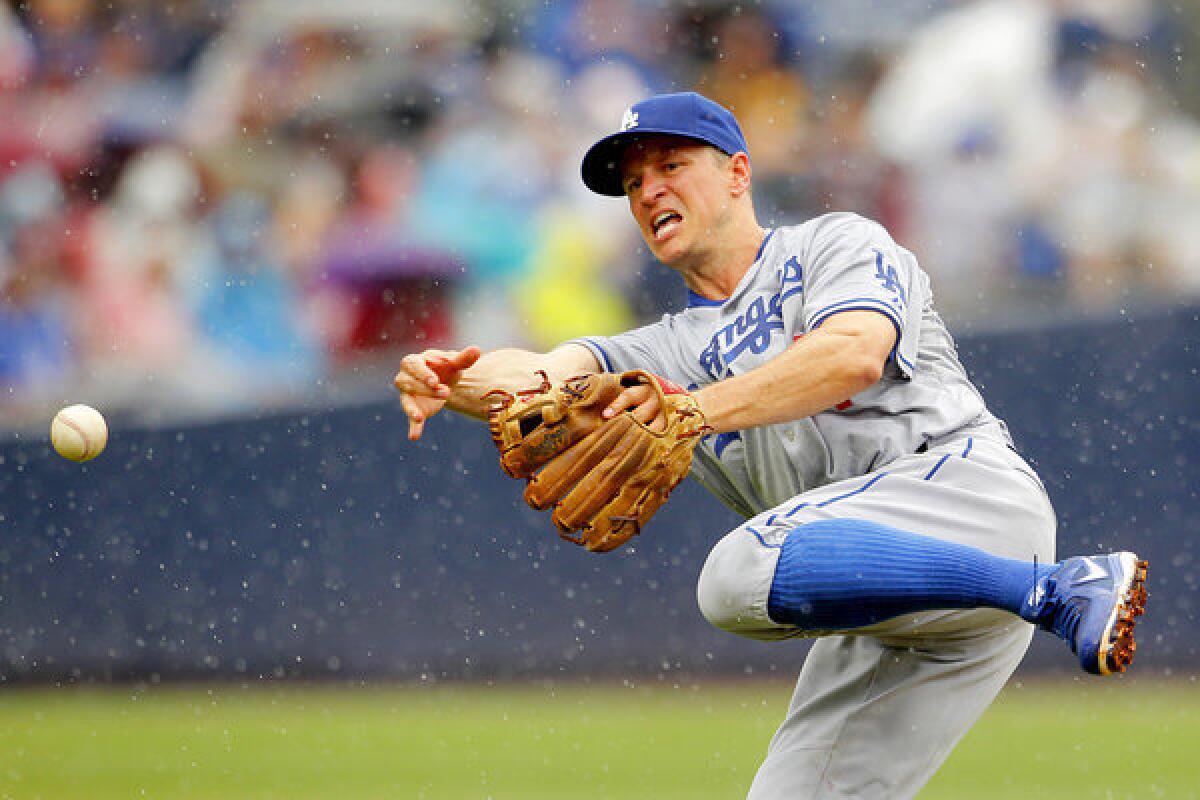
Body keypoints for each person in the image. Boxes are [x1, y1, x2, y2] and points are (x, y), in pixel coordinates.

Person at [393, 92, 1148, 799]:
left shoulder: (833, 243)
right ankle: (1048, 592)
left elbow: (852, 352)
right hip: (891, 609)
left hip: (968, 497)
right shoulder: (663, 349)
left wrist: (692, 412)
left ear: (737, 174)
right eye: (632, 183)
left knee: (733, 573)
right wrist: (445, 377)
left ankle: (1061, 588)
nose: (648, 191)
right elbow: (541, 379)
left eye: (670, 166)